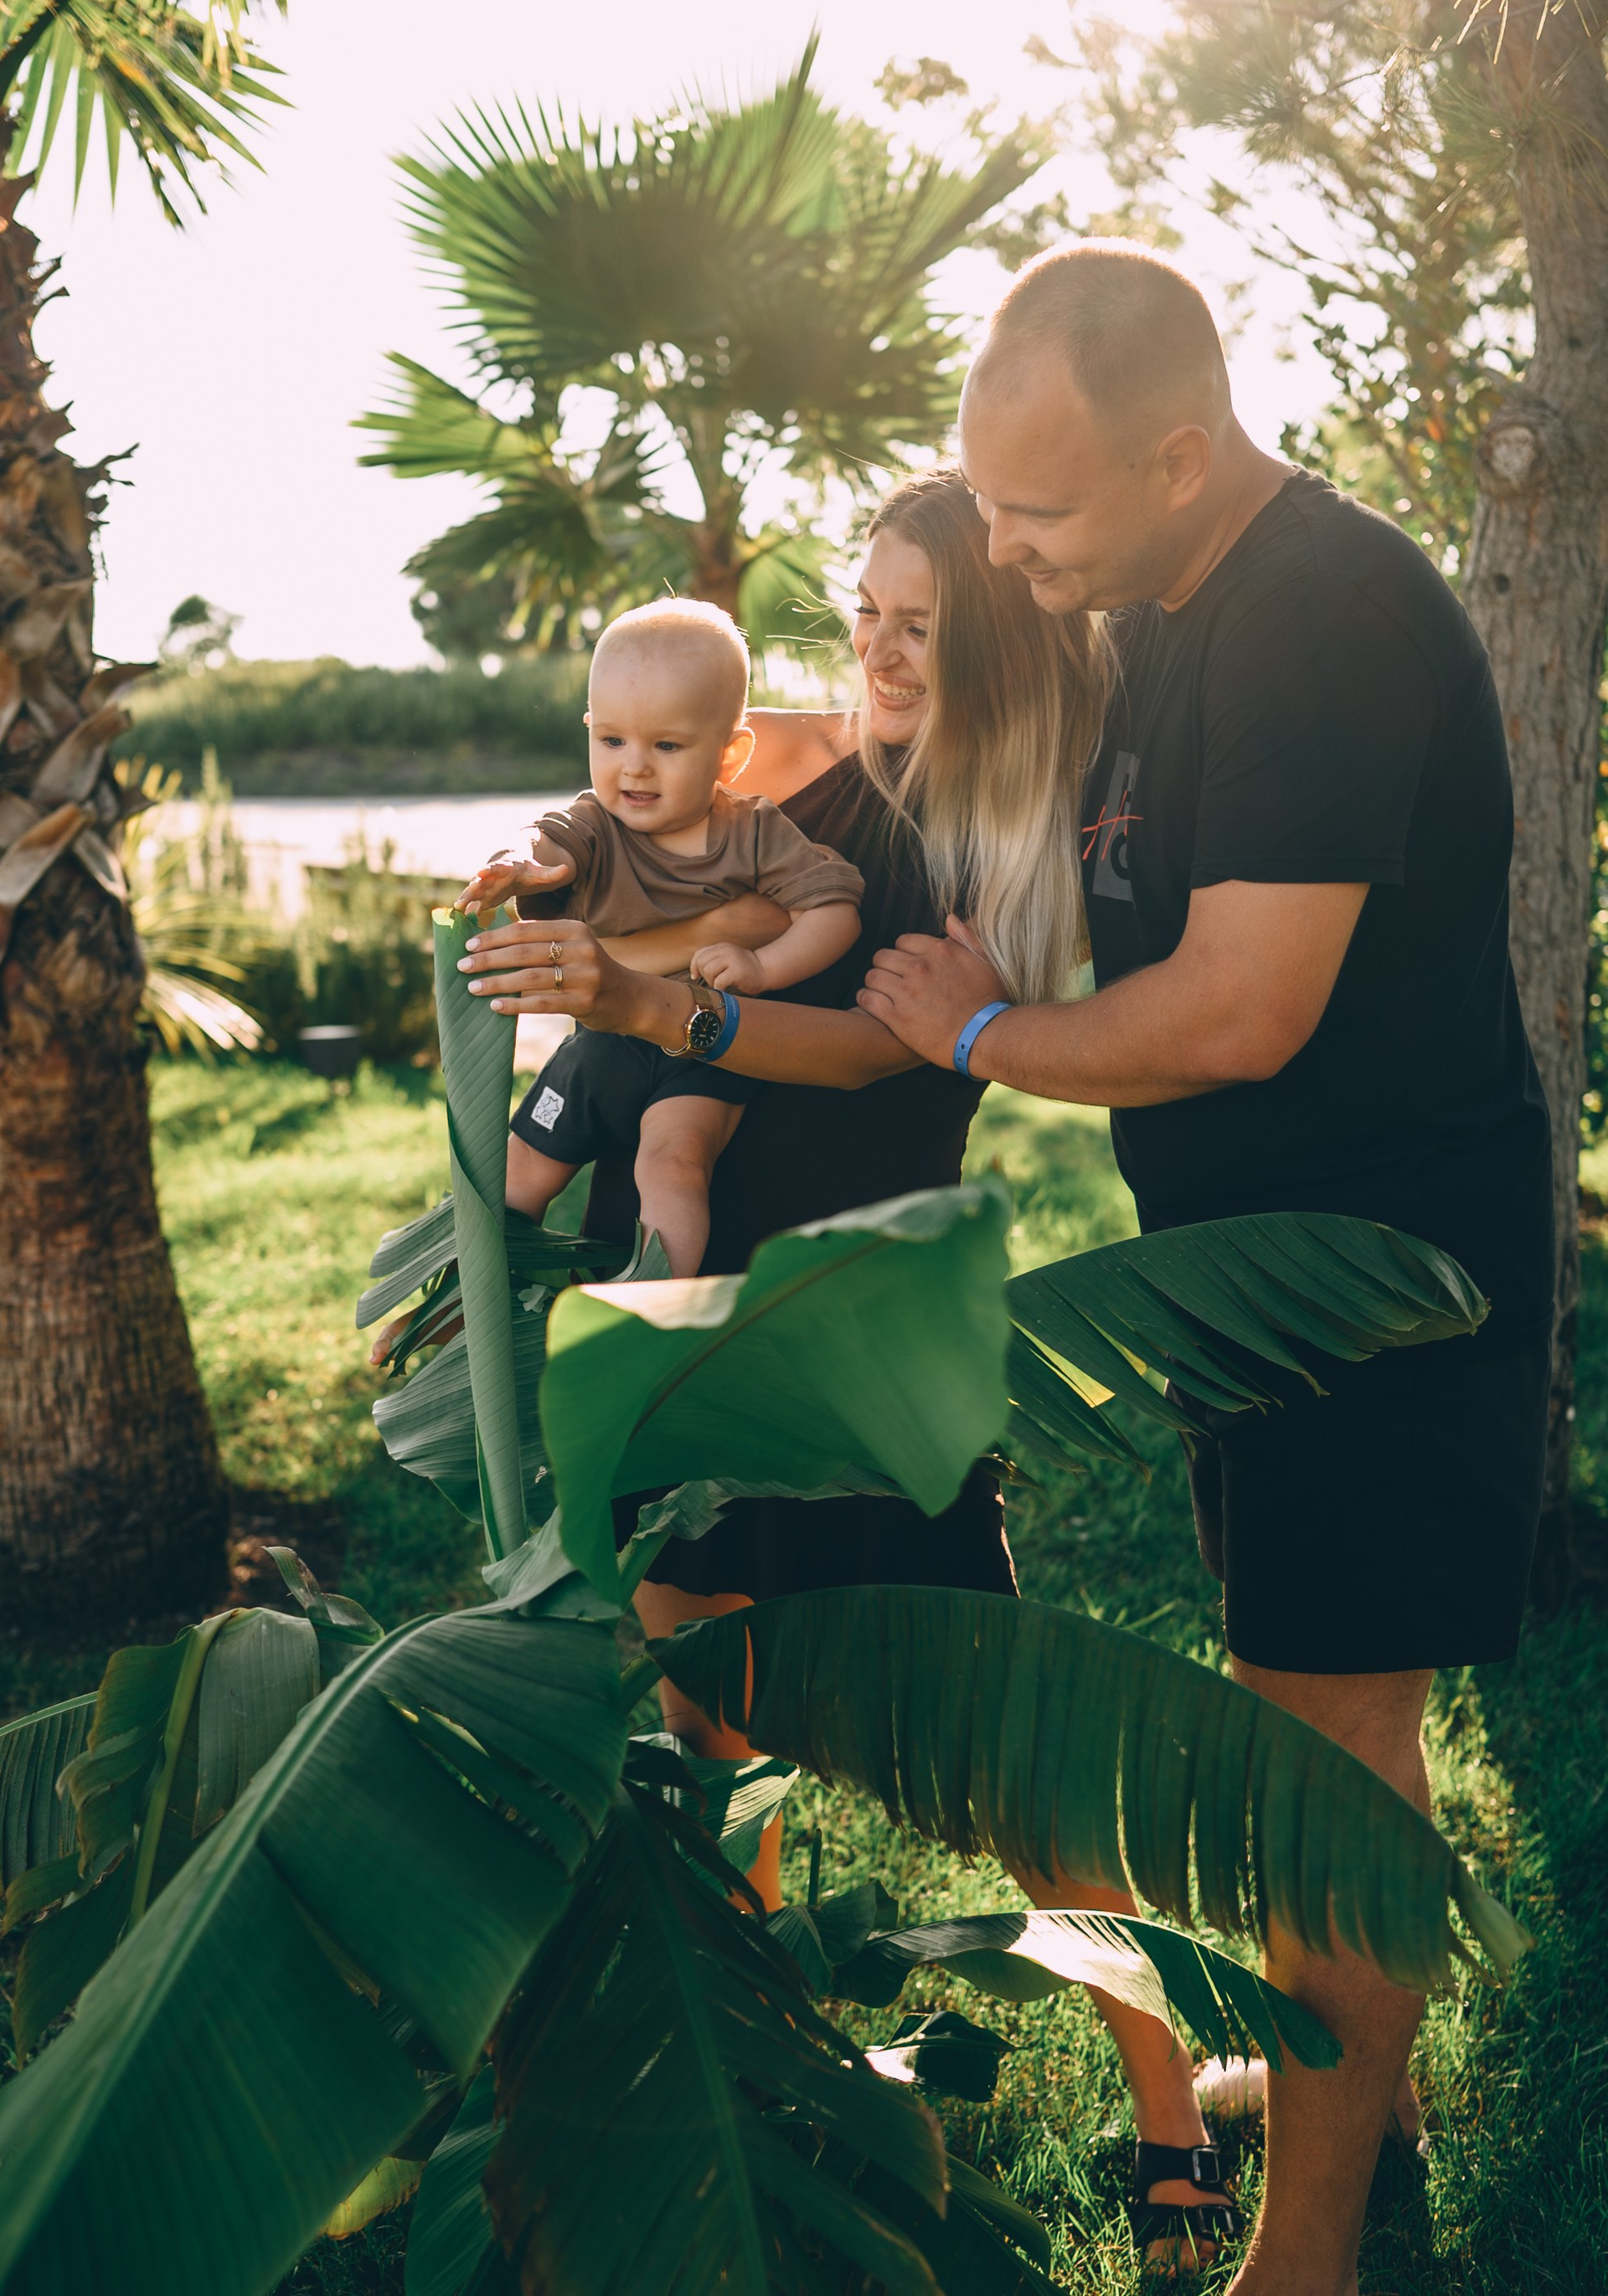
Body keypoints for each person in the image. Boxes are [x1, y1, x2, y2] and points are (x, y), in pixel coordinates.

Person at [853, 246, 1554, 2295]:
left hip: (1379, 1277)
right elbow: (1004, 785)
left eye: (1036, 514)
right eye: (987, 502)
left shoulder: (1320, 615)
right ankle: (1368, 2093)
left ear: (1180, 454)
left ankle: (1307, 2252)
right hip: (1252, 1272)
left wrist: (978, 1037)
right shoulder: (1154, 598)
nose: (1002, 547)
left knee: (1321, 1746)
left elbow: (1239, 1007)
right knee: (1298, 1707)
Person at [451, 467, 1111, 1884]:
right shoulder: (818, 768)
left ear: (993, 635)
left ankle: (1169, 2108)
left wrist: (659, 1012)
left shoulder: (998, 832)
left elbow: (888, 1052)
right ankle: (767, 2043)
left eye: (918, 625)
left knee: (995, 1736)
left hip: (855, 1315)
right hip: (686, 1293)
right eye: (866, 612)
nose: (875, 648)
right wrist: (544, 848)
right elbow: (645, 781)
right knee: (709, 1714)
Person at [455, 600, 863, 1276]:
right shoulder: (594, 825)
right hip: (603, 1047)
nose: (634, 768)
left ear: (729, 754)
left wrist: (762, 969)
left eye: (666, 746)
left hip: (704, 1049)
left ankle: (657, 1308)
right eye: (612, 742)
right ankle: (460, 1300)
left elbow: (835, 910)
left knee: (673, 1163)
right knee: (521, 1168)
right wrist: (516, 861)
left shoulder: (755, 832)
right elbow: (541, 837)